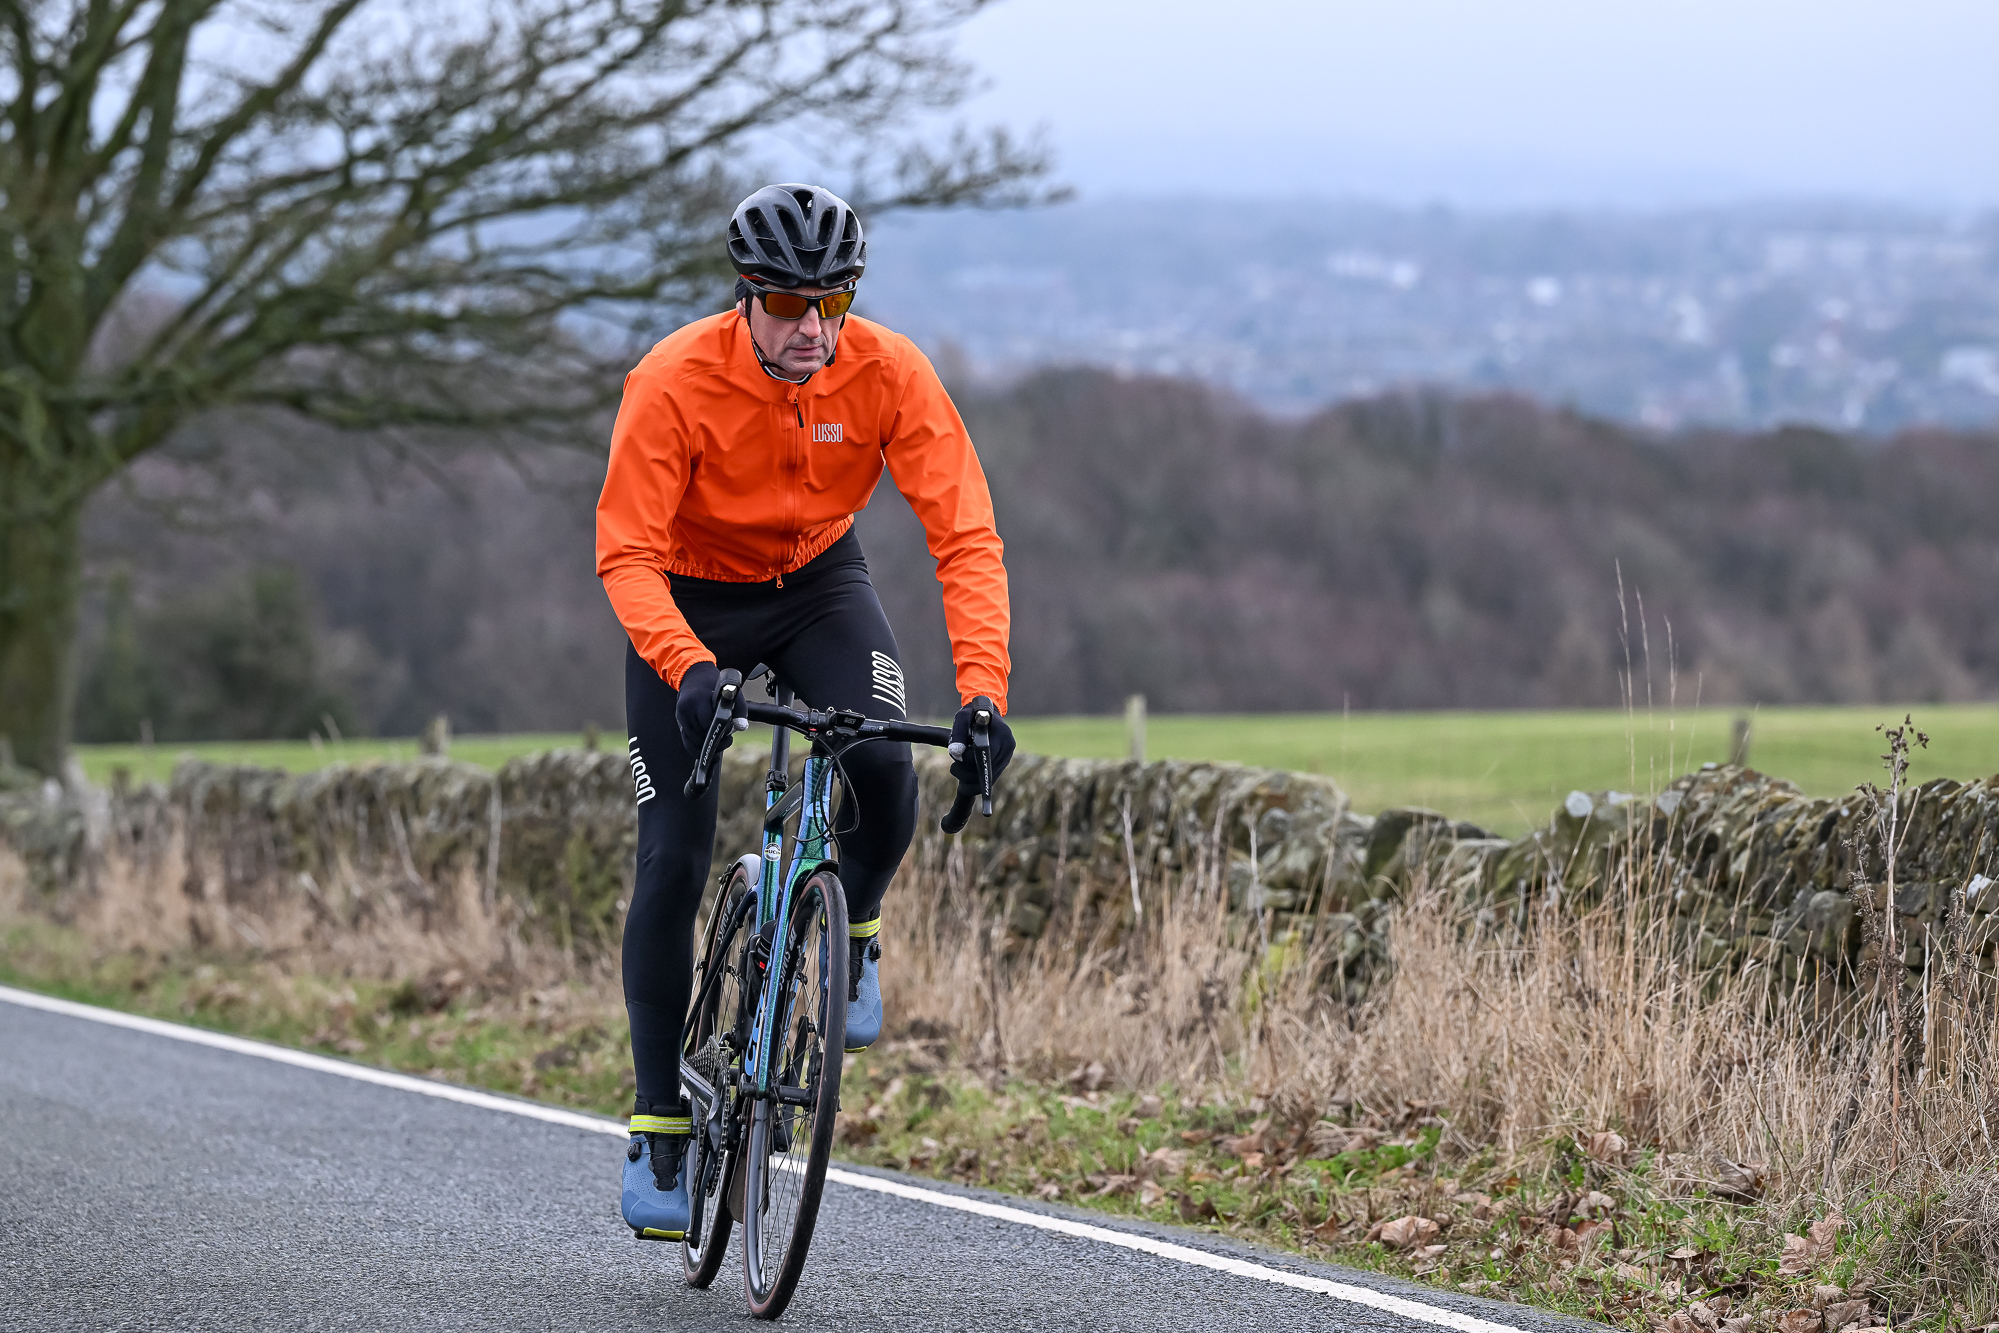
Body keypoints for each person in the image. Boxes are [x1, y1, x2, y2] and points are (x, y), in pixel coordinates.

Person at [595, 183, 1017, 1240]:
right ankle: (659, 1123)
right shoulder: (673, 379)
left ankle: (854, 922)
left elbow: (964, 537)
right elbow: (626, 554)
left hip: (820, 587)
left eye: (831, 304)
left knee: (884, 765)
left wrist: (983, 694)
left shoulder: (888, 371)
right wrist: (687, 667)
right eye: (786, 306)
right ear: (744, 298)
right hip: (686, 604)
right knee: (673, 859)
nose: (809, 330)